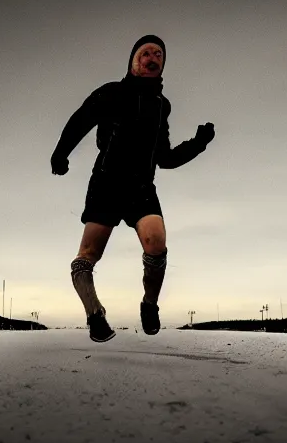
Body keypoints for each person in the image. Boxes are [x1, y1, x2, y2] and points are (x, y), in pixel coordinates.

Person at [51, 35, 215, 342]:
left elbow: (164, 158)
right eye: (145, 52)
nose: (152, 57)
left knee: (156, 243)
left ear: (162, 65)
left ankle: (149, 305)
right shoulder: (111, 93)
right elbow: (81, 119)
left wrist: (198, 144)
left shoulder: (161, 107)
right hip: (106, 183)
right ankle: (95, 316)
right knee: (87, 256)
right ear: (133, 61)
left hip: (141, 187)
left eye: (158, 54)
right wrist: (61, 152)